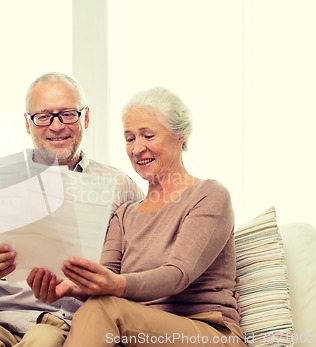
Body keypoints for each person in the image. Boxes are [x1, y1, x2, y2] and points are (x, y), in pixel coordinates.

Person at [0, 72, 144, 347]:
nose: (56, 126)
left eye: (67, 114)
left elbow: (134, 276)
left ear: (85, 118)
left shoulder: (120, 187)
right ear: (28, 124)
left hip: (65, 324)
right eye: (43, 116)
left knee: (44, 340)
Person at [27, 87, 247, 346]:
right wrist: (70, 288)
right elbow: (105, 277)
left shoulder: (209, 195)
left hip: (207, 331)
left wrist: (116, 284)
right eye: (129, 139)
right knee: (97, 306)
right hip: (137, 333)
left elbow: (178, 274)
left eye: (148, 136)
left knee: (104, 308)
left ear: (180, 137)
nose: (137, 148)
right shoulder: (124, 215)